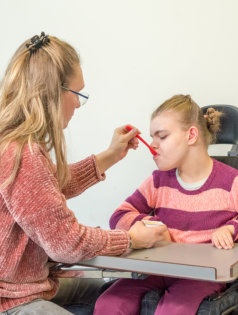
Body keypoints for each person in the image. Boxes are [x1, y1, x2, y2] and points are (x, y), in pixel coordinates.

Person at [0, 32, 168, 315]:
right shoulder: (21, 154)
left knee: (116, 295)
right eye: (77, 94)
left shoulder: (13, 143)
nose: (78, 104)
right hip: (13, 301)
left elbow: (46, 191)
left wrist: (110, 155)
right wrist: (132, 240)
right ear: (52, 91)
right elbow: (67, 243)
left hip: (29, 286)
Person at [94, 94, 238, 315]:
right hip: (158, 268)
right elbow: (119, 215)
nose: (152, 146)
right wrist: (152, 226)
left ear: (191, 135)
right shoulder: (158, 181)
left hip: (202, 274)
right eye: (152, 137)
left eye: (162, 137)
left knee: (173, 310)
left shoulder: (231, 182)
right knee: (109, 303)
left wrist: (234, 229)